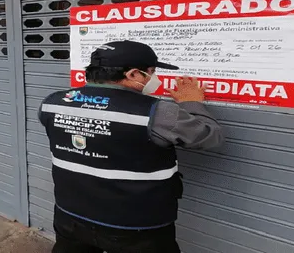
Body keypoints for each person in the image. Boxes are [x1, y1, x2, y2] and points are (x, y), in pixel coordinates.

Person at [38, 40, 224, 253]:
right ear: (133, 75)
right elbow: (211, 137)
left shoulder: (52, 102)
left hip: (70, 216)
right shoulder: (158, 112)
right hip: (134, 227)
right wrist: (191, 102)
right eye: (151, 72)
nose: (155, 78)